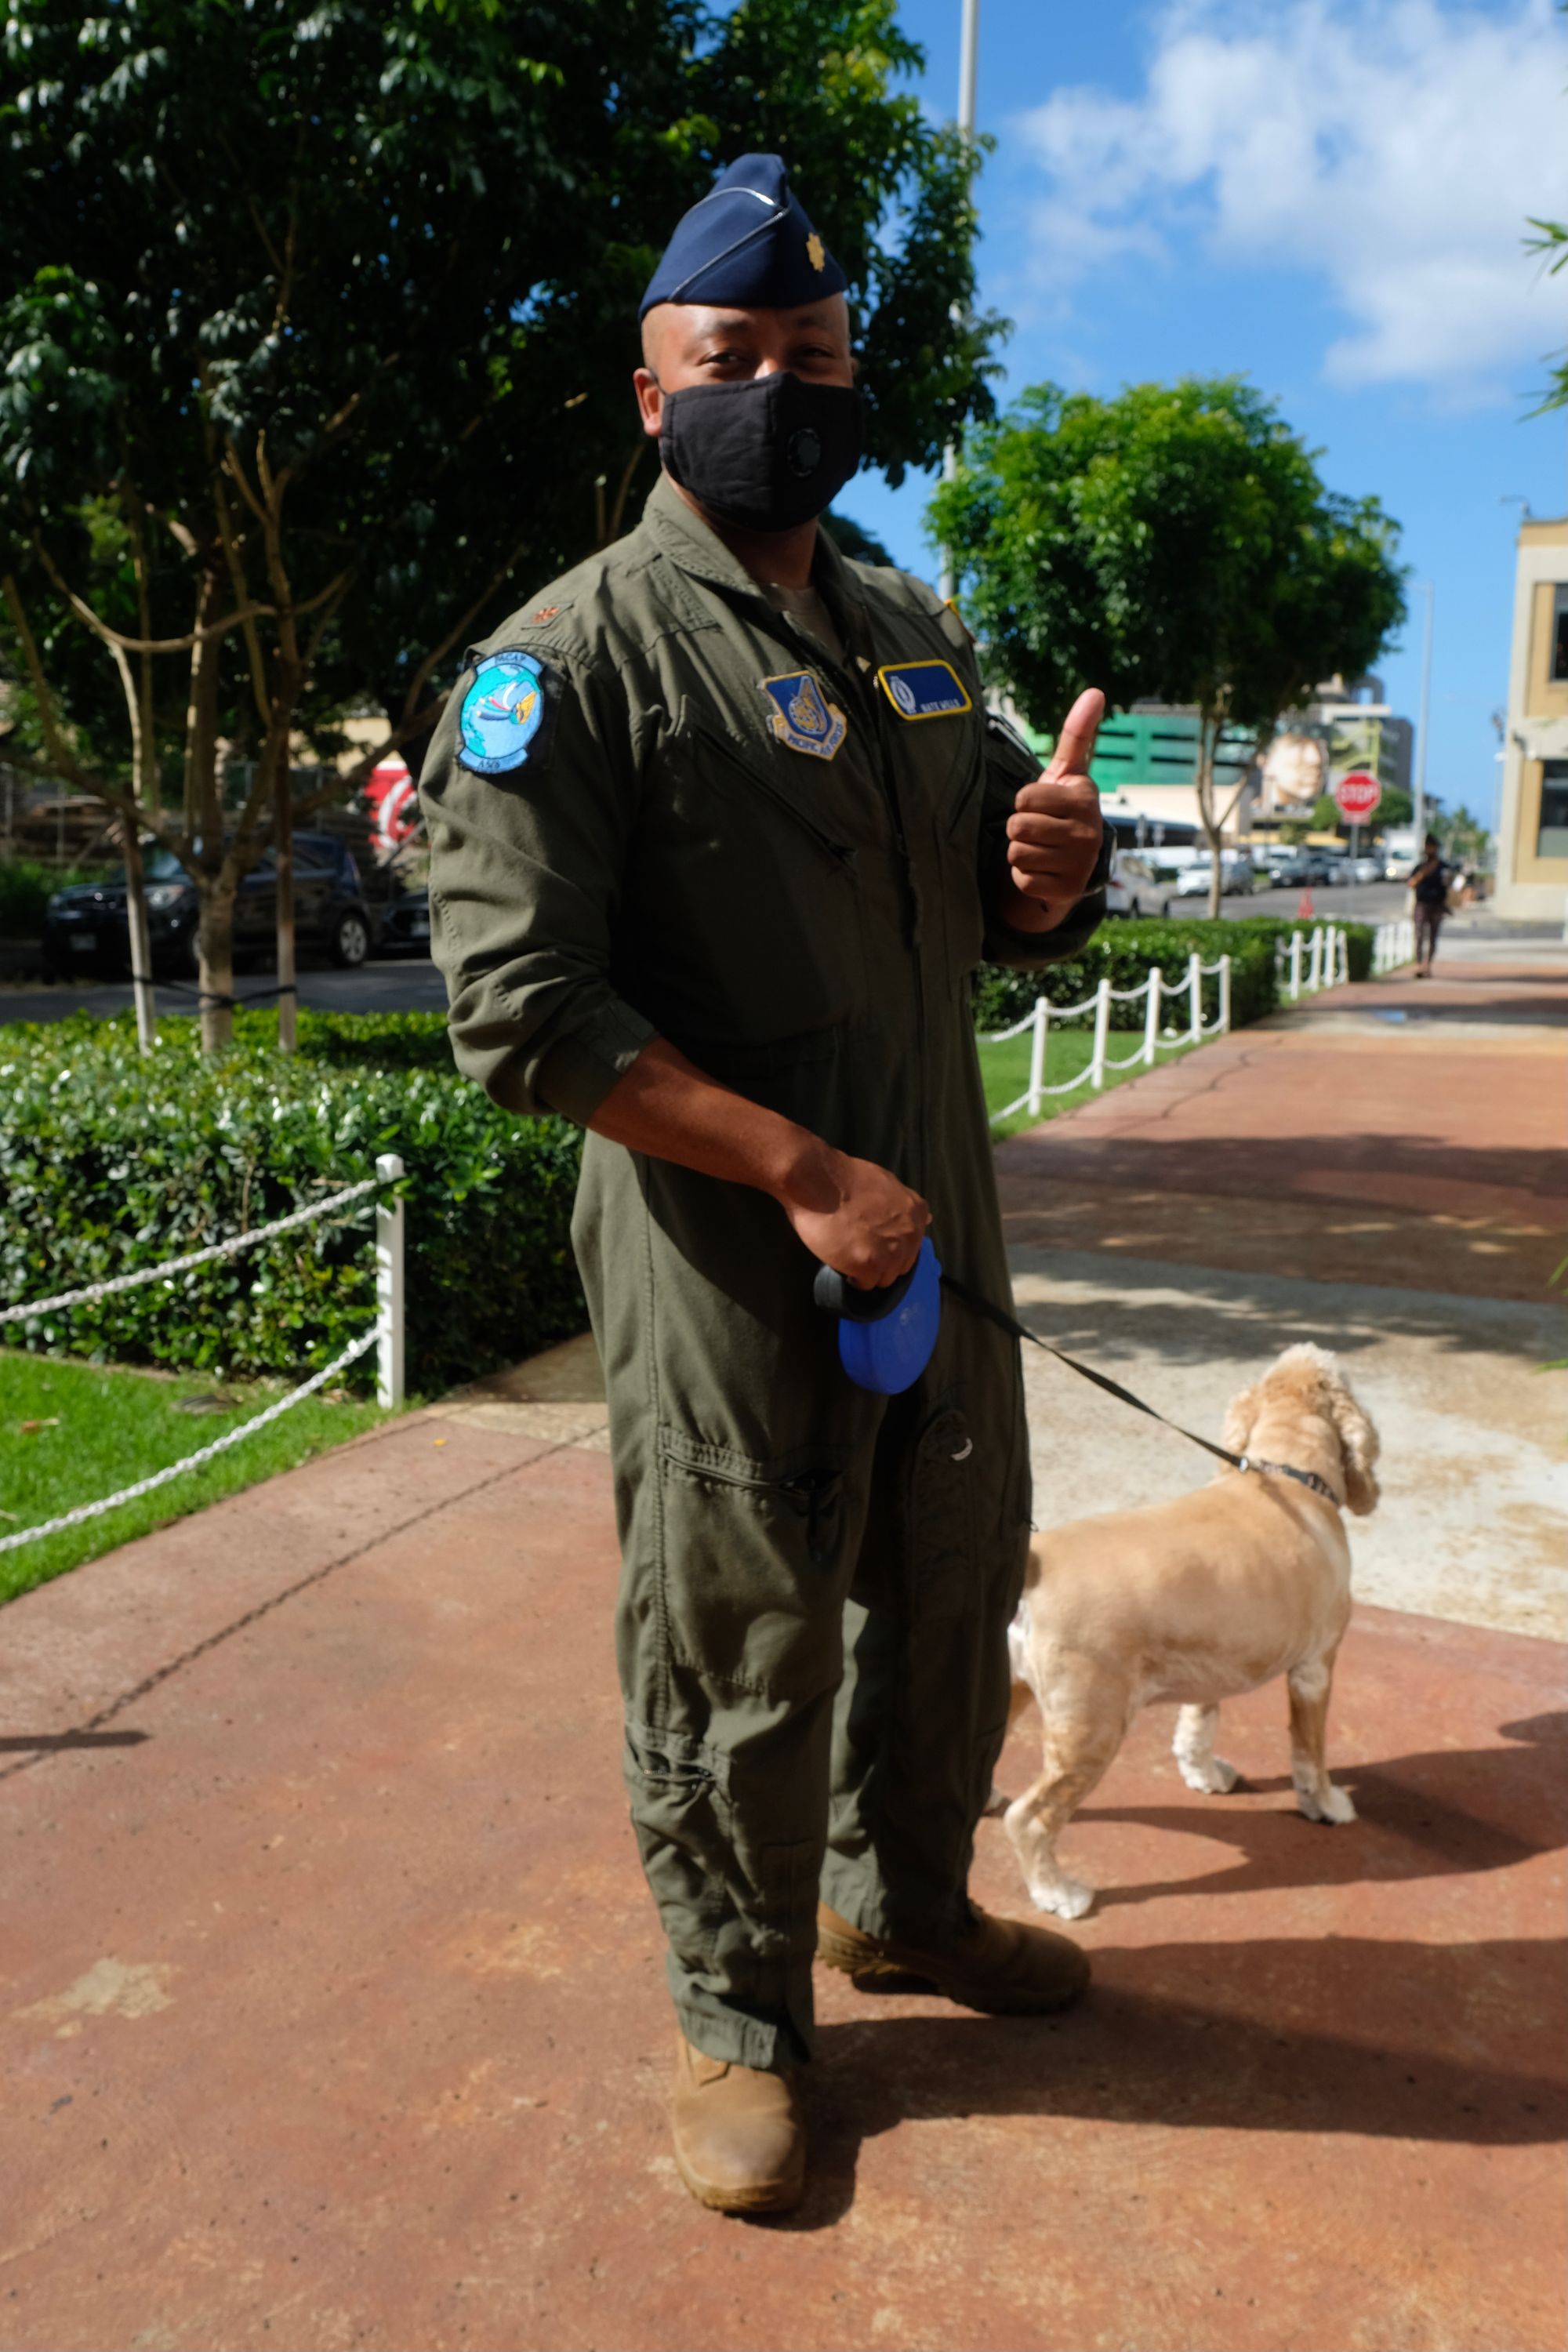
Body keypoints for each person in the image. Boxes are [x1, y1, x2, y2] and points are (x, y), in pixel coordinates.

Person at [421, 155, 1112, 2216]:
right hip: (728, 1249)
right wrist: (802, 1173)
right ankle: (734, 2019)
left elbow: (985, 891)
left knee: (956, 1569)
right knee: (741, 1627)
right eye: (733, 358)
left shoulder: (907, 627)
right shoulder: (570, 662)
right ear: (656, 398)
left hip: (936, 1216)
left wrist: (1050, 880)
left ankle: (904, 1904)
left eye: (815, 355)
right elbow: (521, 1013)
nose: (781, 390)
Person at [1410, 833, 1449, 978]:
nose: (1429, 849)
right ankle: (1419, 965)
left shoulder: (1443, 867)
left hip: (1437, 905)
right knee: (1419, 935)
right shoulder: (1420, 867)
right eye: (1427, 846)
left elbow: (1449, 884)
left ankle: (1428, 965)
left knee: (1433, 937)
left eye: (1432, 846)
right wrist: (1422, 874)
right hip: (1422, 904)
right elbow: (1411, 883)